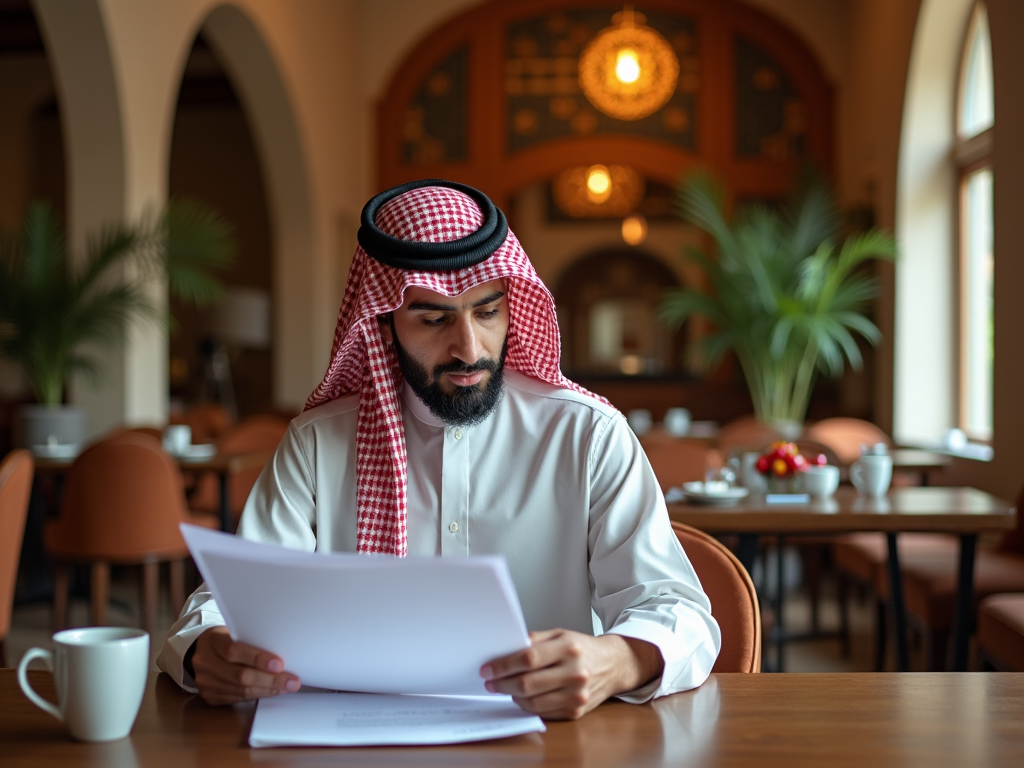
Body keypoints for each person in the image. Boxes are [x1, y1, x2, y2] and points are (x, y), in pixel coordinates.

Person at [157, 180, 720, 720]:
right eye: (433, 319)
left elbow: (680, 612)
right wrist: (207, 649)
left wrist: (618, 659)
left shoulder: (587, 436)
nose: (468, 348)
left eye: (487, 312)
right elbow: (228, 604)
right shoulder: (316, 444)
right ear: (384, 325)